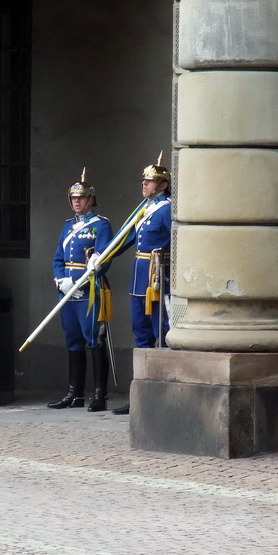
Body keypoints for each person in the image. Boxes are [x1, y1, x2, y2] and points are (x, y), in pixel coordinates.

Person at [105, 153, 172, 416]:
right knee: (141, 334)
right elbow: (126, 238)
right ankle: (141, 395)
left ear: (163, 185)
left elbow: (175, 243)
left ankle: (163, 392)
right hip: (138, 280)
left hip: (157, 279)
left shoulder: (166, 209)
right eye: (144, 180)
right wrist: (103, 256)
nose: (144, 184)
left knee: (162, 332)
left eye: (151, 181)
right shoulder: (144, 209)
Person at [48, 170, 114, 412]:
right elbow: (58, 258)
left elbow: (103, 259)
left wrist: (80, 282)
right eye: (74, 198)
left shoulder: (101, 225)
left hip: (89, 291)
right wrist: (61, 281)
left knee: (94, 341)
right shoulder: (67, 227)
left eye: (82, 198)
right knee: (73, 341)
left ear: (91, 200)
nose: (77, 201)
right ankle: (74, 394)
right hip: (68, 293)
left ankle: (99, 394)